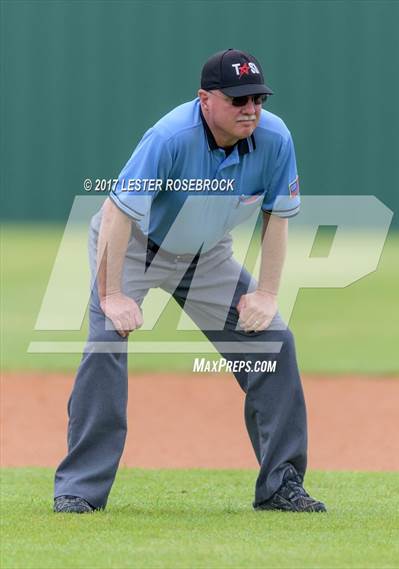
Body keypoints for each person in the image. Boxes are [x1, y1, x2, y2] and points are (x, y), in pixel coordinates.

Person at [53, 49, 326, 514]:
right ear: (205, 99)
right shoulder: (170, 136)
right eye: (238, 99)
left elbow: (276, 219)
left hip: (206, 254)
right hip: (134, 245)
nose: (251, 109)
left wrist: (266, 294)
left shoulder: (275, 138)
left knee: (275, 342)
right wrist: (113, 294)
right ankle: (79, 489)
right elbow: (118, 212)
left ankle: (281, 485)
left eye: (257, 97)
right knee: (105, 344)